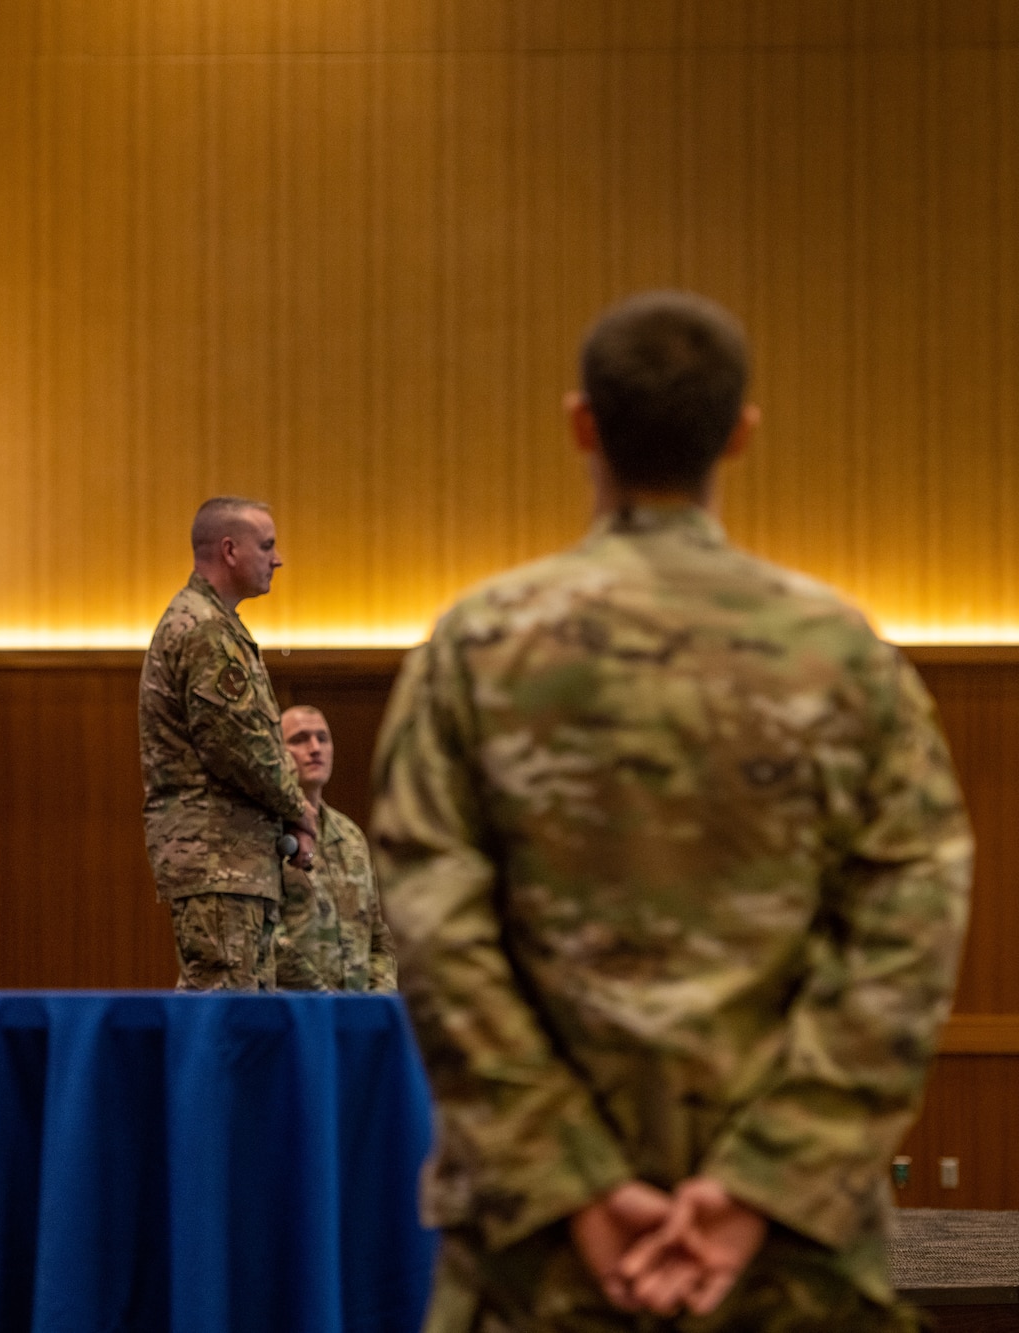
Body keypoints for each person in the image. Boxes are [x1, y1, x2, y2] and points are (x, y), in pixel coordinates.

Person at [370, 290, 973, 1332]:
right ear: (739, 434)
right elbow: (906, 937)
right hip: (785, 1265)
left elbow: (433, 934)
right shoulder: (839, 655)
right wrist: (756, 1187)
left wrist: (577, 1186)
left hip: (541, 1262)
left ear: (580, 424)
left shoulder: (477, 646)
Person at [139, 497, 317, 990]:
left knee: (243, 1017)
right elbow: (238, 748)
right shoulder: (205, 630)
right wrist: (298, 808)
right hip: (218, 858)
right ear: (230, 550)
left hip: (233, 860)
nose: (276, 559)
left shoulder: (216, 625)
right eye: (267, 545)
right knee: (223, 1020)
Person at [275, 705, 396, 993]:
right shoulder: (264, 833)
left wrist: (377, 998)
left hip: (358, 1017)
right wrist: (329, 1003)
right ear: (276, 754)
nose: (314, 748)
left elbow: (377, 934)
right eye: (300, 739)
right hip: (296, 1012)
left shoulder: (351, 835)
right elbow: (265, 938)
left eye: (322, 738)